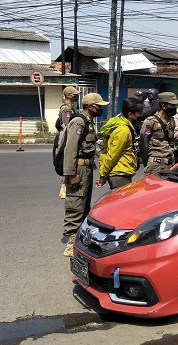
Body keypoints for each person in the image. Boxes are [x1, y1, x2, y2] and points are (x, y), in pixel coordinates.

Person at [63, 92, 109, 257]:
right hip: (78, 169)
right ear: (91, 106)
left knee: (84, 205)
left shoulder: (88, 123)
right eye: (99, 106)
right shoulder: (79, 121)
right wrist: (70, 174)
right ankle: (70, 244)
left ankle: (79, 241)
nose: (102, 109)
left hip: (86, 168)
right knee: (76, 205)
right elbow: (70, 149)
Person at [96, 97, 143, 191]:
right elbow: (112, 155)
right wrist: (103, 175)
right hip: (119, 174)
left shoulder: (123, 125)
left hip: (121, 172)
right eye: (139, 113)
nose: (141, 115)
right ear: (130, 114)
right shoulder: (123, 131)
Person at [141, 92, 178, 175]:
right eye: (172, 105)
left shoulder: (171, 121)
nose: (175, 108)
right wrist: (148, 164)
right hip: (156, 166)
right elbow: (143, 146)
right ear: (163, 106)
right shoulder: (150, 122)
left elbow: (172, 138)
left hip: (170, 164)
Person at [57, 86, 80, 199]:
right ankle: (64, 187)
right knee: (68, 161)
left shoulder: (71, 107)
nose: (77, 96)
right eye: (74, 94)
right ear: (68, 95)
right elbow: (67, 125)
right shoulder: (66, 109)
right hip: (67, 138)